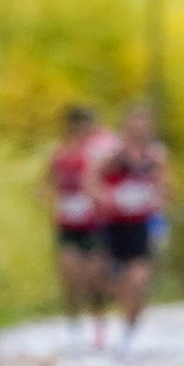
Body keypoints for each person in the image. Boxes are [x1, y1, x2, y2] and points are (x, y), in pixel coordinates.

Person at [94, 105, 168, 360]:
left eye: (145, 124)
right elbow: (91, 181)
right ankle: (119, 324)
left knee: (140, 280)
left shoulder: (156, 156)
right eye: (135, 124)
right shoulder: (113, 155)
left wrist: (160, 199)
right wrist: (105, 198)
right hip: (114, 225)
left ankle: (129, 333)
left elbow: (167, 187)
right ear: (126, 126)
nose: (140, 129)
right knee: (119, 282)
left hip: (142, 224)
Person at [46, 105, 112, 351]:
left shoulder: (99, 152)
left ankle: (99, 326)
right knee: (71, 277)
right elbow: (47, 183)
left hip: (93, 223)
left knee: (95, 278)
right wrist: (53, 201)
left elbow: (110, 181)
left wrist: (102, 198)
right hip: (68, 224)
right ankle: (74, 328)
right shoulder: (58, 153)